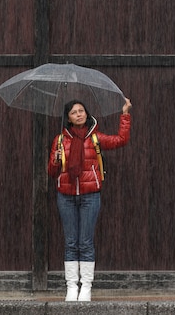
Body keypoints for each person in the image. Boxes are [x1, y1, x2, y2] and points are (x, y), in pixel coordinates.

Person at [48, 97, 132, 302]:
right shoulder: (59, 141)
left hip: (90, 196)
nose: (79, 114)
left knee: (85, 242)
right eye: (74, 112)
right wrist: (56, 159)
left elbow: (121, 140)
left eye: (82, 111)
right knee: (70, 242)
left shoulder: (95, 138)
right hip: (66, 196)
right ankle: (71, 287)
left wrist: (125, 114)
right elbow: (51, 172)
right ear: (67, 118)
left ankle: (86, 287)